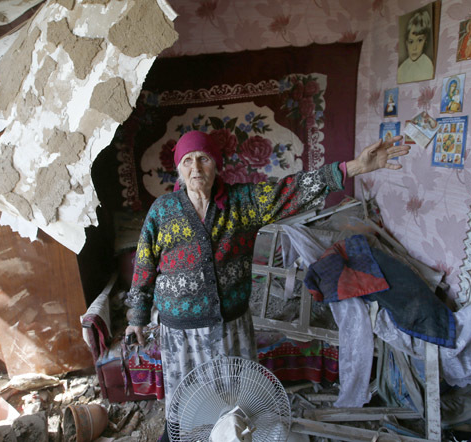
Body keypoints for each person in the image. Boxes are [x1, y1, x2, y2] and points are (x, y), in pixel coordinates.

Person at [125, 130, 410, 440]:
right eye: (188, 160)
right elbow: (144, 265)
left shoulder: (241, 202)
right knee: (187, 409)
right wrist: (138, 317)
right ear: (178, 168)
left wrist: (354, 167)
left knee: (235, 405)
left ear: (216, 165)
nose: (196, 168)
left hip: (229, 328)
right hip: (180, 334)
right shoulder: (163, 210)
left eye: (204, 159)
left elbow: (292, 190)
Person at [397, 9, 434, 84]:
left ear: (425, 41)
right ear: (406, 43)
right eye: (411, 42)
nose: (414, 48)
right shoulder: (402, 68)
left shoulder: (428, 65)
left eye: (419, 40)